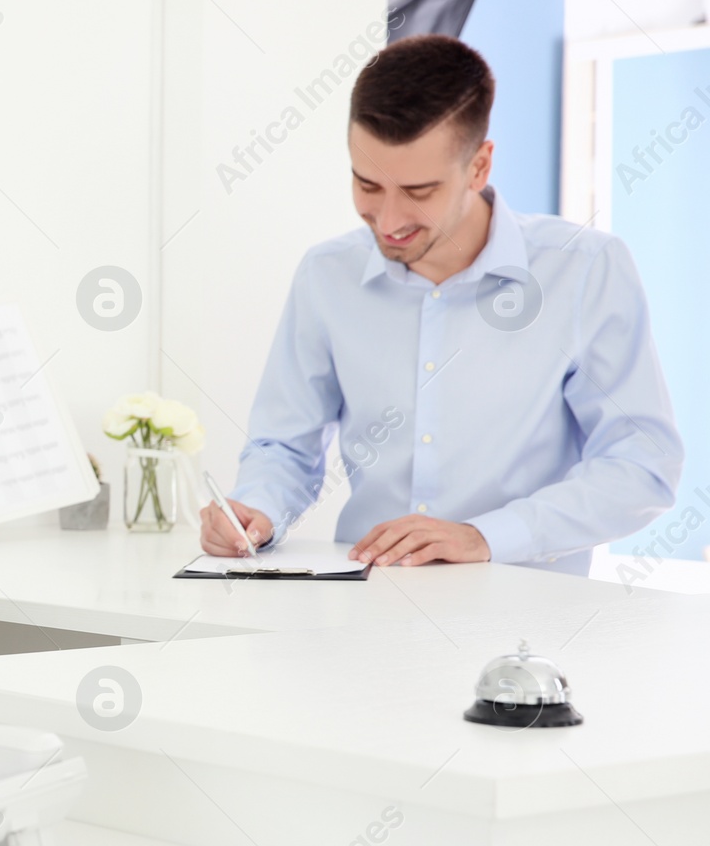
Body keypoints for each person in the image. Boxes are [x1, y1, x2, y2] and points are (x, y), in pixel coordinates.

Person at [200, 34, 682, 576]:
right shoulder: (326, 274)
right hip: (365, 607)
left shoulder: (585, 269)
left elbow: (642, 466)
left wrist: (484, 536)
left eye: (419, 191)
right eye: (366, 185)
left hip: (528, 620)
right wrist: (258, 511)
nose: (387, 220)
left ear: (479, 167)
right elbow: (284, 446)